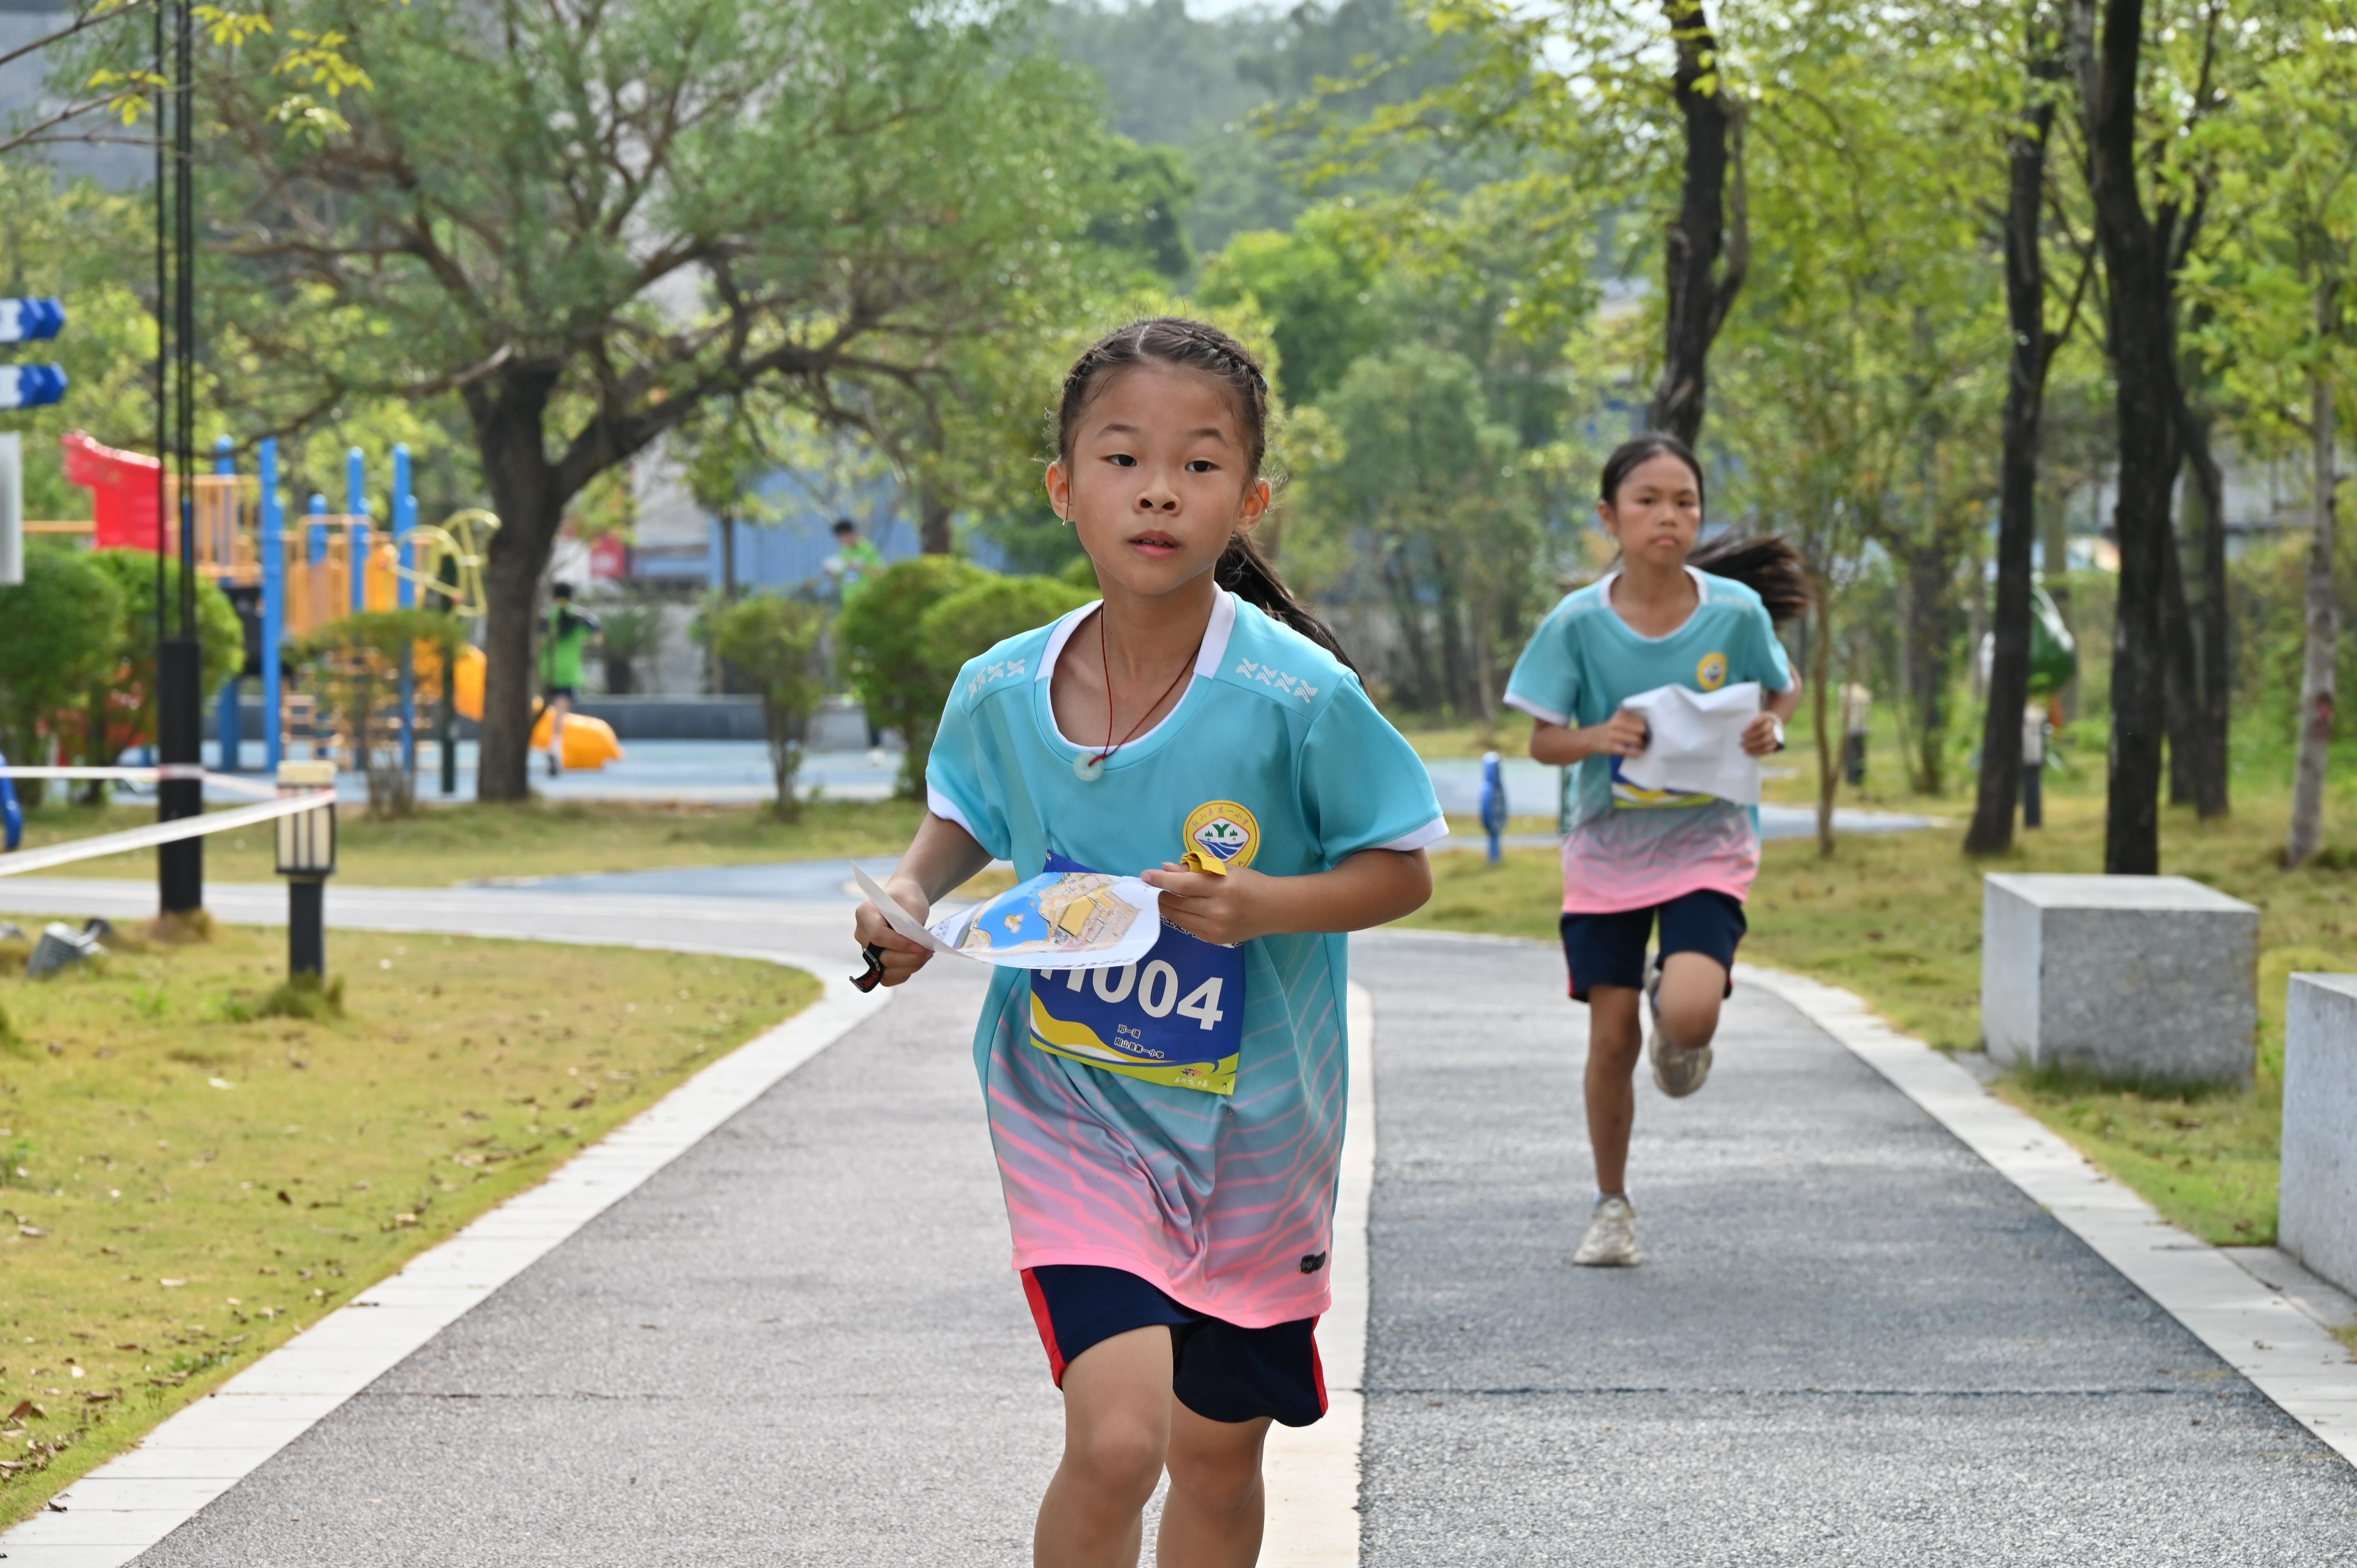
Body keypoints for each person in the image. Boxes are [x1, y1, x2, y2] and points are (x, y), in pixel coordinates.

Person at [852, 318, 1443, 1568]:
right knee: (1117, 1444)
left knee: (1217, 1462)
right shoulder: (1001, 688)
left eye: (1201, 463)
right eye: (1123, 460)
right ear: (1066, 491)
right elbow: (961, 816)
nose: (1160, 489)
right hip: (1075, 1109)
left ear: (1251, 500)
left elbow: (1404, 868)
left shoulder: (1300, 698)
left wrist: (1261, 907)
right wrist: (908, 899)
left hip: (1259, 1135)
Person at [1503, 433, 1808, 1270]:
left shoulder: (1735, 613)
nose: (1668, 515)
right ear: (1610, 517)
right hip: (1608, 851)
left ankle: (1676, 1008)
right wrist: (1599, 735)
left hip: (1709, 843)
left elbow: (1779, 687)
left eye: (1685, 501)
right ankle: (1612, 1204)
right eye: (1648, 500)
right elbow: (1541, 741)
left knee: (1689, 1013)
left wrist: (1770, 727)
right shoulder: (1576, 625)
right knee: (1611, 1040)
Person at [538, 582, 600, 778]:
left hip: (547, 672)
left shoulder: (547, 617)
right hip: (568, 674)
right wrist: (581, 642)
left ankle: (551, 749)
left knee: (541, 713)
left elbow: (537, 640)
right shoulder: (579, 619)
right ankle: (555, 749)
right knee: (560, 715)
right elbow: (597, 637)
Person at [822, 516, 883, 603]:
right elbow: (840, 581)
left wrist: (860, 567)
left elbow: (881, 572)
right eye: (840, 538)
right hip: (850, 600)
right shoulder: (843, 552)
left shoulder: (868, 549)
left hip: (868, 598)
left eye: (845, 536)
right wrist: (831, 573)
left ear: (853, 533)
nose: (843, 540)